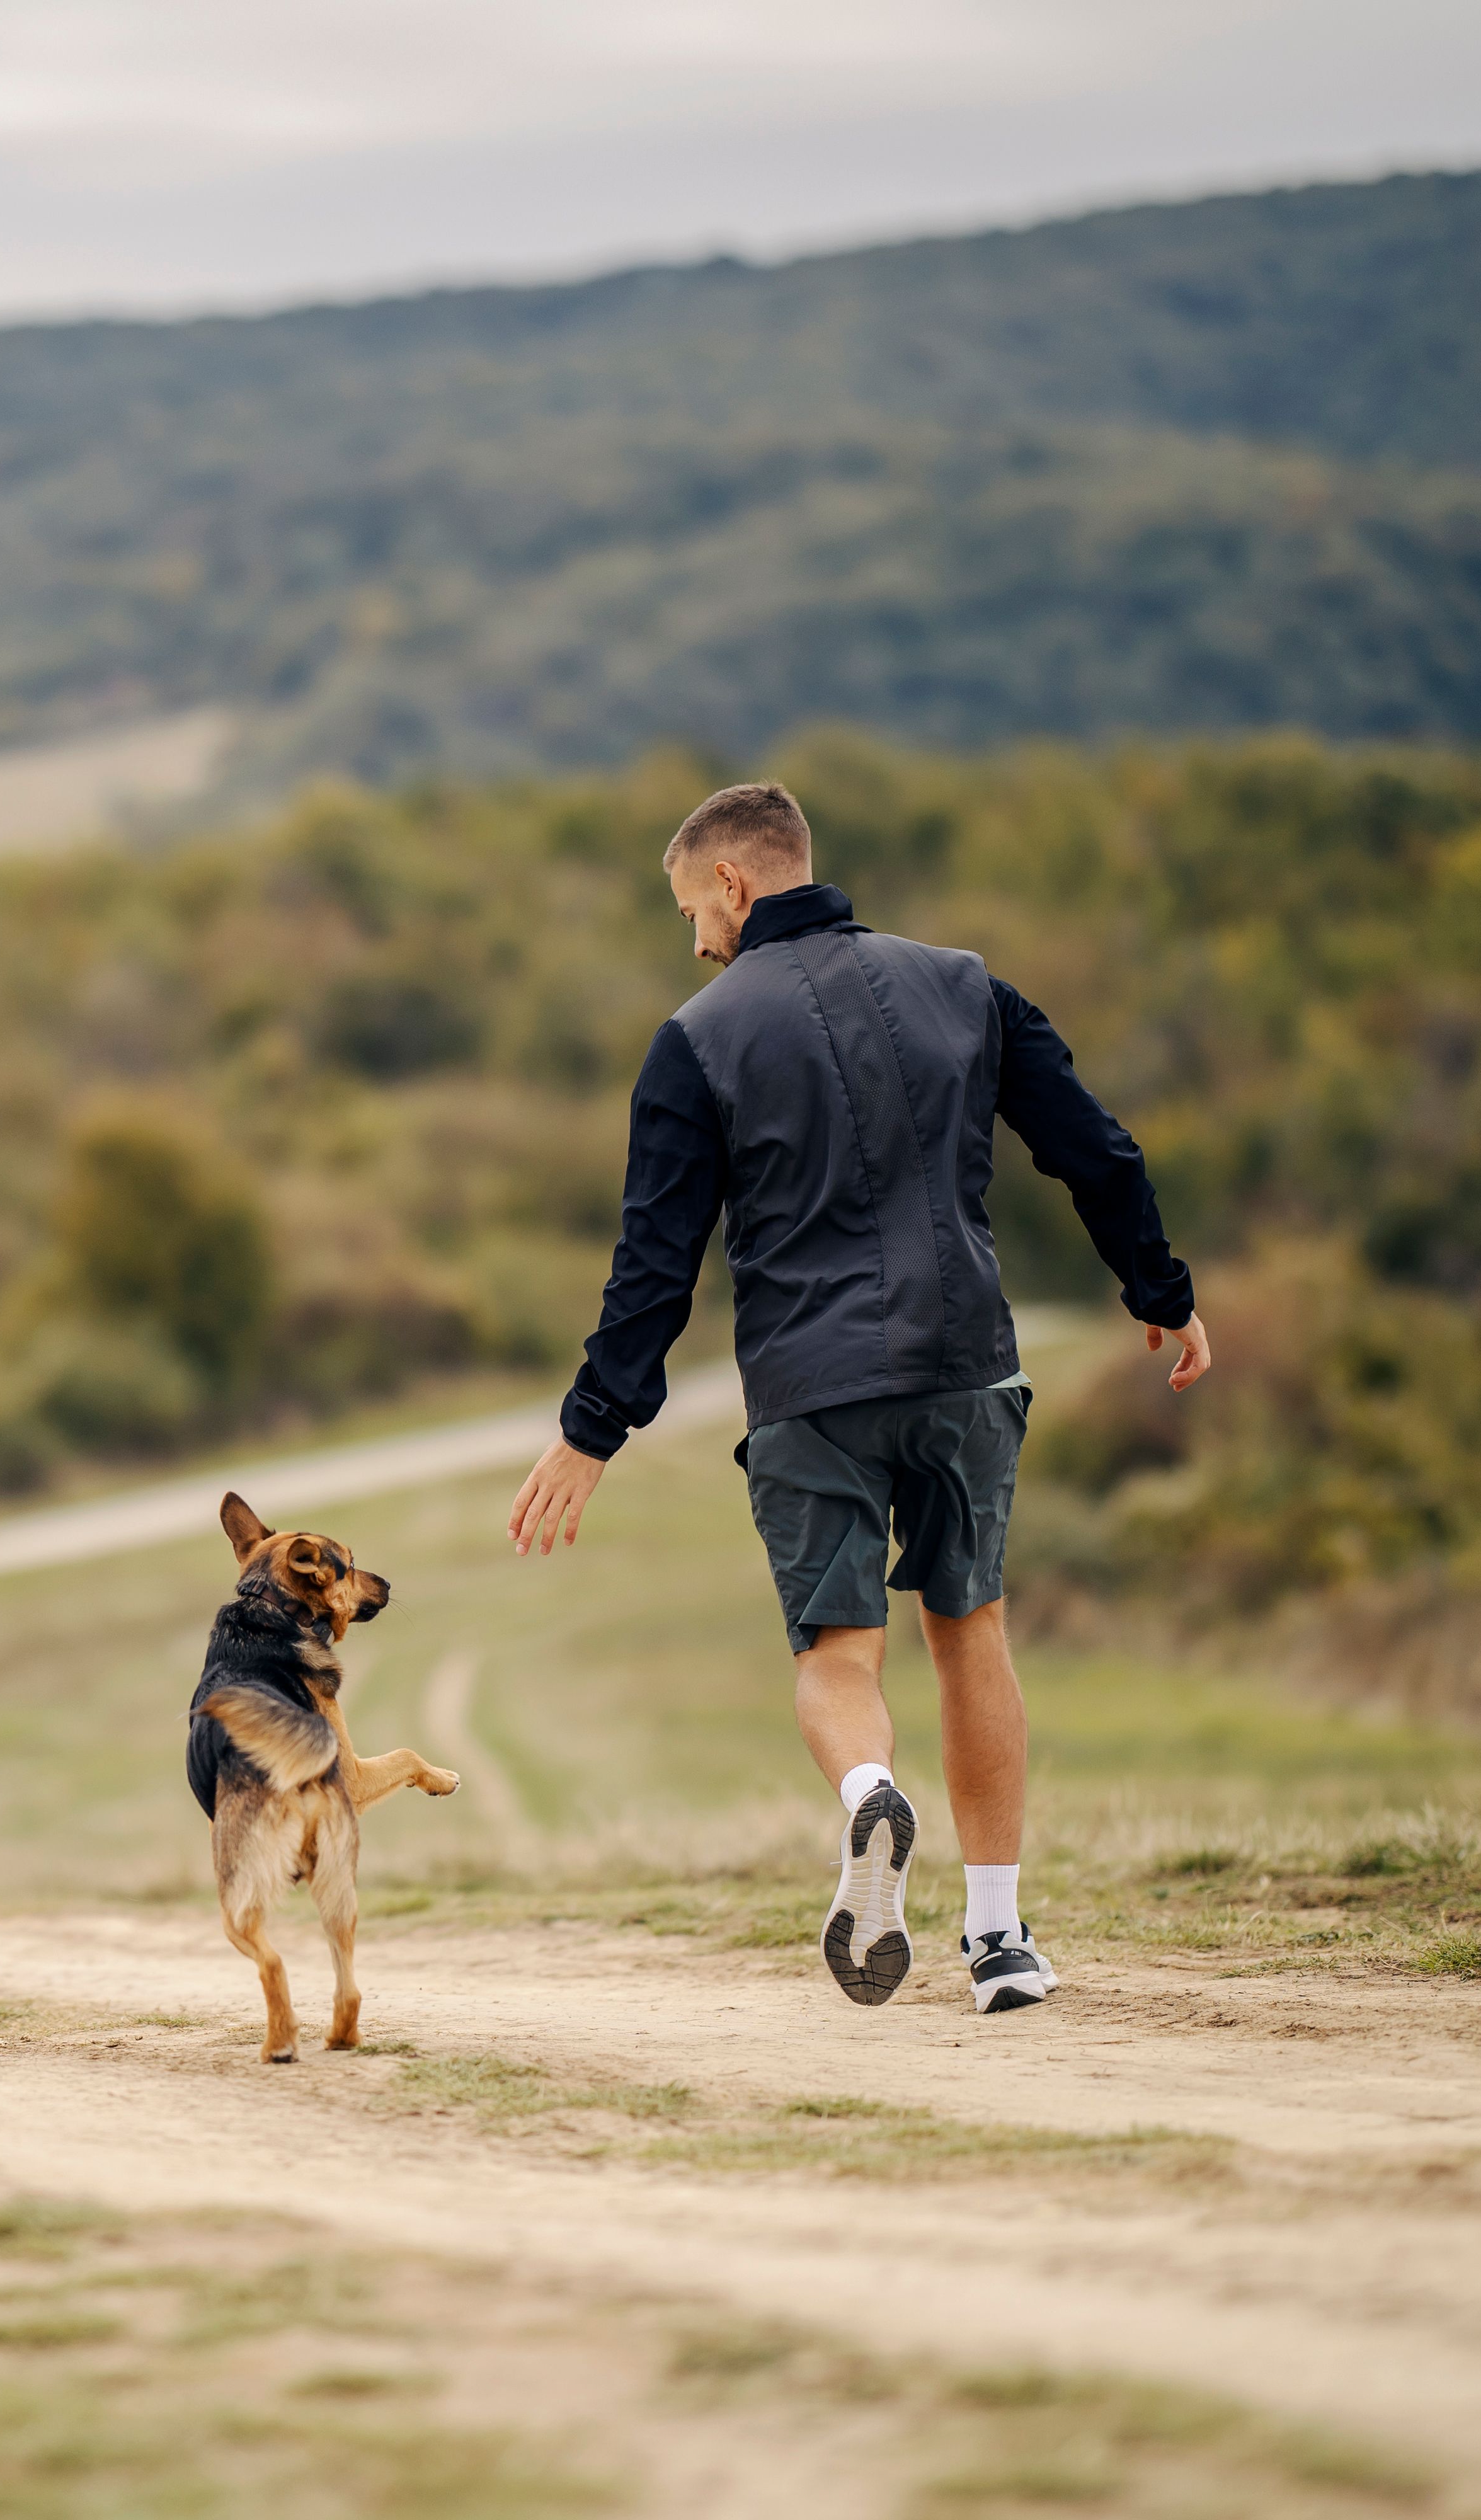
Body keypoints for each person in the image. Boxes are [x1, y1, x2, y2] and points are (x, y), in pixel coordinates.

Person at [502, 781, 1210, 2017]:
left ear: (733, 882)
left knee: (838, 1657)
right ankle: (999, 1940)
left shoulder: (697, 1038)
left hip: (809, 1390)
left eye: (689, 908)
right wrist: (1159, 1285)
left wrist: (589, 1430)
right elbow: (1096, 1147)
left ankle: (867, 1798)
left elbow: (653, 1269)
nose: (694, 937)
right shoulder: (966, 985)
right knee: (970, 1628)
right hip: (963, 1367)